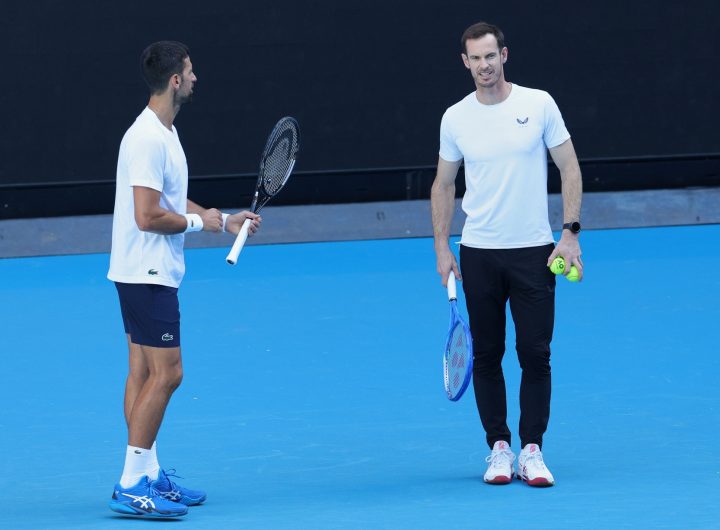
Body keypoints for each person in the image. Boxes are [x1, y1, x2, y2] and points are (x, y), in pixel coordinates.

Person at [107, 40, 261, 517]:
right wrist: (201, 225)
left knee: (144, 371)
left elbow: (172, 199)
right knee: (169, 373)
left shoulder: (162, 133)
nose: (196, 79)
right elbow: (148, 216)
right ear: (175, 80)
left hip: (141, 271)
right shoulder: (149, 139)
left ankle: (148, 472)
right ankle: (131, 482)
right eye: (191, 72)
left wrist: (221, 217)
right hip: (147, 272)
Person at [431, 22, 583, 487]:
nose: (484, 65)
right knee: (488, 356)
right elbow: (443, 184)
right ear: (465, 63)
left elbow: (569, 166)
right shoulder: (455, 117)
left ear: (504, 55)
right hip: (479, 253)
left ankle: (531, 449)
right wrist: (442, 246)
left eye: (490, 56)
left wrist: (570, 233)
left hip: (535, 252)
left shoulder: (538, 104)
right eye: (475, 58)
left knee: (535, 354)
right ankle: (498, 448)